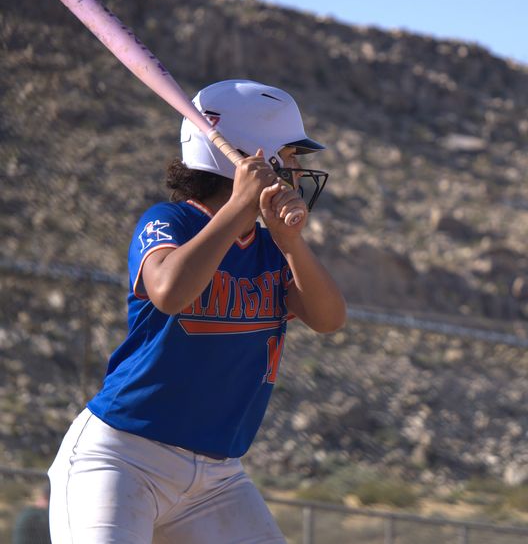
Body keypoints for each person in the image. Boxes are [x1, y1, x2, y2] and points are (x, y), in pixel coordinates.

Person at [47, 79, 346, 543]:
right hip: (123, 456)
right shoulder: (170, 221)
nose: (295, 169)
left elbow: (329, 319)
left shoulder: (272, 249)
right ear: (252, 159)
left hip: (217, 477)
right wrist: (239, 208)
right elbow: (170, 291)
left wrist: (290, 242)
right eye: (287, 156)